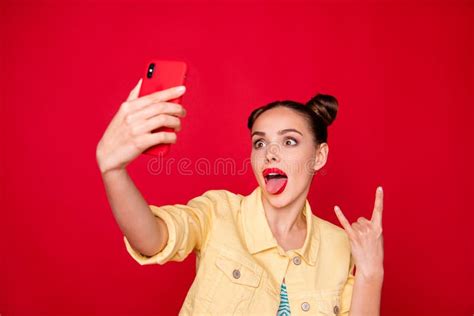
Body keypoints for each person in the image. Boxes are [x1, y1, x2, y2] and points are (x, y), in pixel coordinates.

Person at [96, 79, 384, 315]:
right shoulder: (218, 211)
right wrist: (114, 171)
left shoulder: (339, 244)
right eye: (260, 142)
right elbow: (153, 238)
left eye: (289, 141)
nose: (270, 152)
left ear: (319, 156)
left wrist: (371, 273)